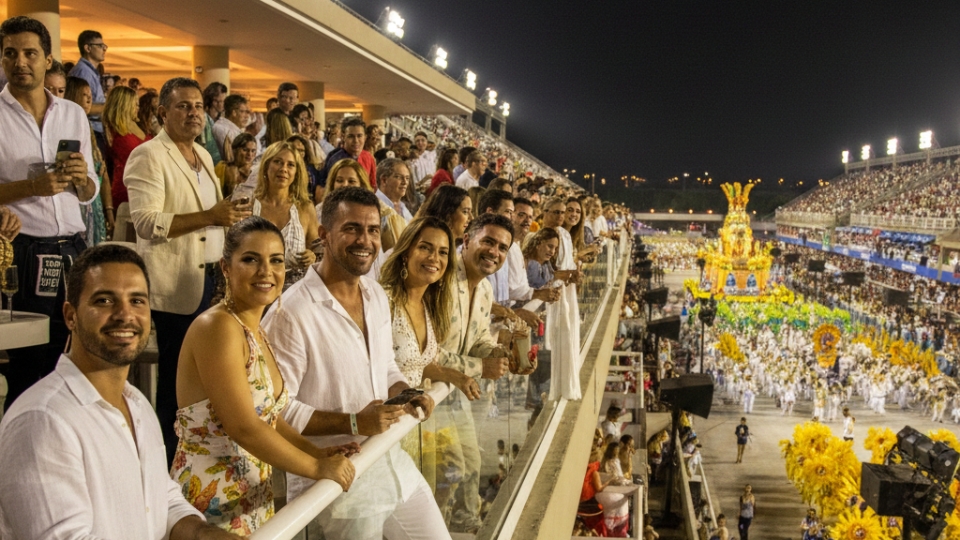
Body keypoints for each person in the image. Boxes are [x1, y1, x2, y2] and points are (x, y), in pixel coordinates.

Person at [0, 244, 240, 539]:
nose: (125, 314)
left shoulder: (137, 404)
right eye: (104, 300)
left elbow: (160, 500)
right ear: (71, 316)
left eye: (137, 300)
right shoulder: (42, 421)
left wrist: (205, 533)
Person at [263, 187, 449, 540]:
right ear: (324, 235)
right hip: (338, 484)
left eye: (373, 230)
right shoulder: (292, 313)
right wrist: (354, 421)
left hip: (390, 463)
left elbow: (386, 366)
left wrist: (404, 392)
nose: (365, 240)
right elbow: (276, 411)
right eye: (352, 228)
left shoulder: (374, 294)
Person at [171, 217, 356, 534]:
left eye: (276, 261)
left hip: (251, 495)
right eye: (250, 260)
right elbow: (244, 426)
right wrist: (316, 467)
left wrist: (315, 451)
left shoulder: (254, 330)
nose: (265, 271)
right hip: (210, 504)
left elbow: (267, 416)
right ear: (226, 267)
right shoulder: (217, 327)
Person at [124, 76, 253, 463]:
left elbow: (209, 221)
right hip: (175, 291)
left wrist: (227, 219)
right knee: (176, 391)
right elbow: (146, 222)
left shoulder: (202, 157)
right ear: (162, 113)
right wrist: (210, 215)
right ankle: (165, 466)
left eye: (198, 106)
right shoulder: (149, 155)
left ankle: (196, 457)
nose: (194, 113)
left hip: (211, 283)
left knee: (203, 384)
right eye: (183, 106)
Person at [0, 16, 95, 411]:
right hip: (22, 252)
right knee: (28, 366)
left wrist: (80, 180)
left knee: (74, 360)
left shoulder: (72, 113)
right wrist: (30, 188)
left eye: (30, 53)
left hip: (73, 250)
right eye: (10, 53)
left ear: (48, 59)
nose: (20, 61)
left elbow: (89, 190)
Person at [435, 212, 520, 533]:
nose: (494, 252)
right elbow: (423, 352)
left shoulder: (484, 291)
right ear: (467, 239)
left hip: (456, 396)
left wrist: (500, 353)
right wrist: (480, 367)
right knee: (448, 470)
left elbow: (479, 339)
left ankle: (451, 521)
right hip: (426, 397)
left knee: (469, 465)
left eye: (502, 247)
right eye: (488, 241)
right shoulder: (439, 279)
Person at [251, 141, 318, 287]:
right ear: (266, 166)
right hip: (257, 290)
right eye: (278, 162)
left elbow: (317, 250)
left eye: (290, 165)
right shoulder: (249, 207)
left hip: (296, 295)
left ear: (297, 172)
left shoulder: (305, 208)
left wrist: (312, 256)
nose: (283, 169)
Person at [542, 196, 583, 400]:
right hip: (551, 293)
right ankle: (556, 388)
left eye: (562, 212)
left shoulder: (565, 234)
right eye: (556, 212)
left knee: (568, 336)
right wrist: (567, 275)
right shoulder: (542, 236)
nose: (560, 216)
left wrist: (573, 274)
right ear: (545, 212)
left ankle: (567, 385)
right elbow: (544, 269)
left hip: (566, 291)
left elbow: (566, 264)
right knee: (559, 338)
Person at [64, 76, 111, 245]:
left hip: (94, 202)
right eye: (84, 94)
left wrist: (109, 210)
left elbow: (102, 173)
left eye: (90, 94)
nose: (89, 98)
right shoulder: (66, 127)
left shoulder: (88, 126)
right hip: (77, 204)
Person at [103, 84, 150, 239]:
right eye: (134, 104)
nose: (138, 107)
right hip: (125, 191)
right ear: (123, 105)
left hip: (144, 189)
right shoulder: (115, 131)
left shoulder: (135, 126)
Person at [67, 29, 107, 150]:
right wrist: (111, 107)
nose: (104, 49)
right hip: (89, 130)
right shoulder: (83, 72)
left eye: (104, 46)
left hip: (94, 129)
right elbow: (80, 106)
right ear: (87, 48)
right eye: (100, 46)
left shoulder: (91, 72)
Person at [318, 116, 377, 193]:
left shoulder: (368, 157)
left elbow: (373, 187)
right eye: (351, 136)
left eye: (359, 136)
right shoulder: (336, 160)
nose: (356, 140)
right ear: (343, 137)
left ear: (365, 137)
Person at [213, 94, 251, 163]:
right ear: (234, 113)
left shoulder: (230, 129)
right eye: (243, 112)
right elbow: (236, 160)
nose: (247, 116)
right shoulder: (223, 129)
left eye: (247, 112)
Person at [217, 132, 257, 198]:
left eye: (253, 151)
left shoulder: (257, 171)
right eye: (245, 150)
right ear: (235, 150)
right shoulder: (222, 168)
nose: (249, 154)